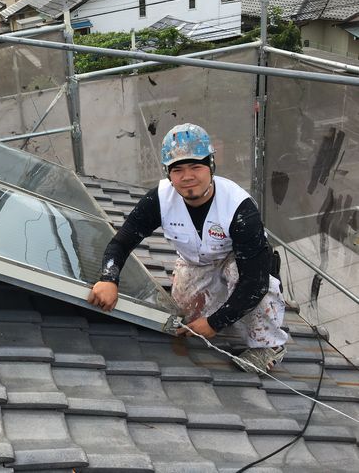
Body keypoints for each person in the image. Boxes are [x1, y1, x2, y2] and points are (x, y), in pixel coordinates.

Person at [88, 123, 287, 373]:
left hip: (239, 262)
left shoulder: (239, 209)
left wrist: (215, 322)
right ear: (168, 174)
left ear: (211, 166)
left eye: (196, 166)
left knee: (250, 284)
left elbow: (254, 281)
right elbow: (122, 242)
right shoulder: (159, 200)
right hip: (197, 264)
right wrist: (109, 278)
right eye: (178, 169)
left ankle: (267, 345)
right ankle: (228, 305)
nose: (187, 176)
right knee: (188, 323)